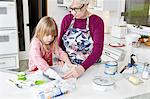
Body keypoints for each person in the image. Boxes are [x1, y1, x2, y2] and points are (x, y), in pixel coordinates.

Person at [59, 0, 104, 79]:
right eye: (71, 8)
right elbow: (60, 44)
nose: (73, 12)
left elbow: (98, 51)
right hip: (69, 67)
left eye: (77, 9)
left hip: (90, 68)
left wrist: (81, 68)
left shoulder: (96, 21)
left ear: (86, 4)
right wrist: (62, 59)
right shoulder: (67, 19)